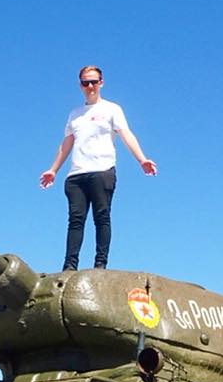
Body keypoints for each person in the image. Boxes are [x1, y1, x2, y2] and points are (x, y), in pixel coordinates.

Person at [40, 65, 156, 270]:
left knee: (101, 217)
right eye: (86, 82)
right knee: (75, 220)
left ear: (101, 83)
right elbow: (67, 142)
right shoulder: (75, 114)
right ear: (80, 85)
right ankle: (69, 266)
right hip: (77, 174)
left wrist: (142, 159)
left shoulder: (112, 109)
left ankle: (100, 264)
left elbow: (126, 134)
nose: (90, 86)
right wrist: (53, 169)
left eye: (94, 82)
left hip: (102, 170)